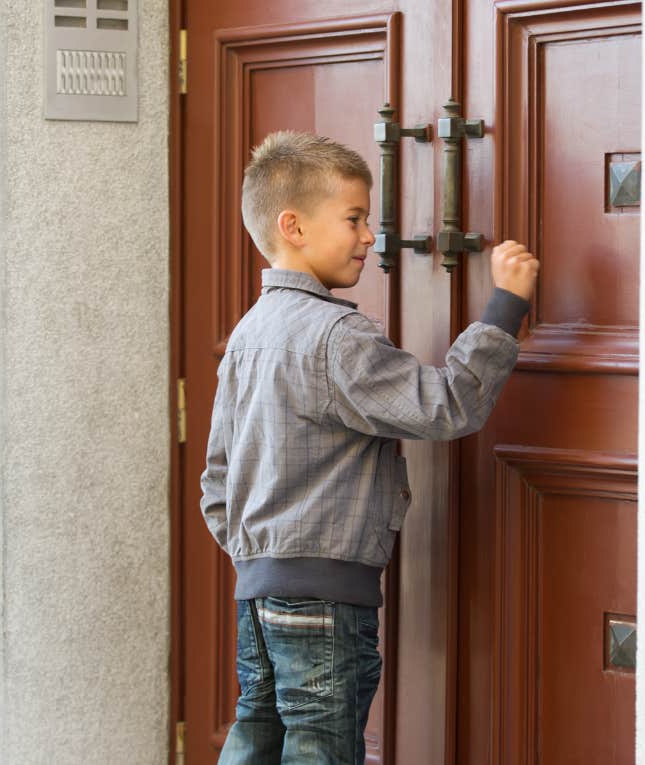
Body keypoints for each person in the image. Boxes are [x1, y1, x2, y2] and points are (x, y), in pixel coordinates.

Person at [201, 130, 538, 763]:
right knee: (321, 750)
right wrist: (504, 306)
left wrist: (261, 561)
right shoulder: (339, 335)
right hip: (326, 598)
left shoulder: (246, 335)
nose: (369, 237)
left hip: (257, 592)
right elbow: (447, 404)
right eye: (354, 219)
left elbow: (216, 482)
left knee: (256, 740)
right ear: (294, 226)